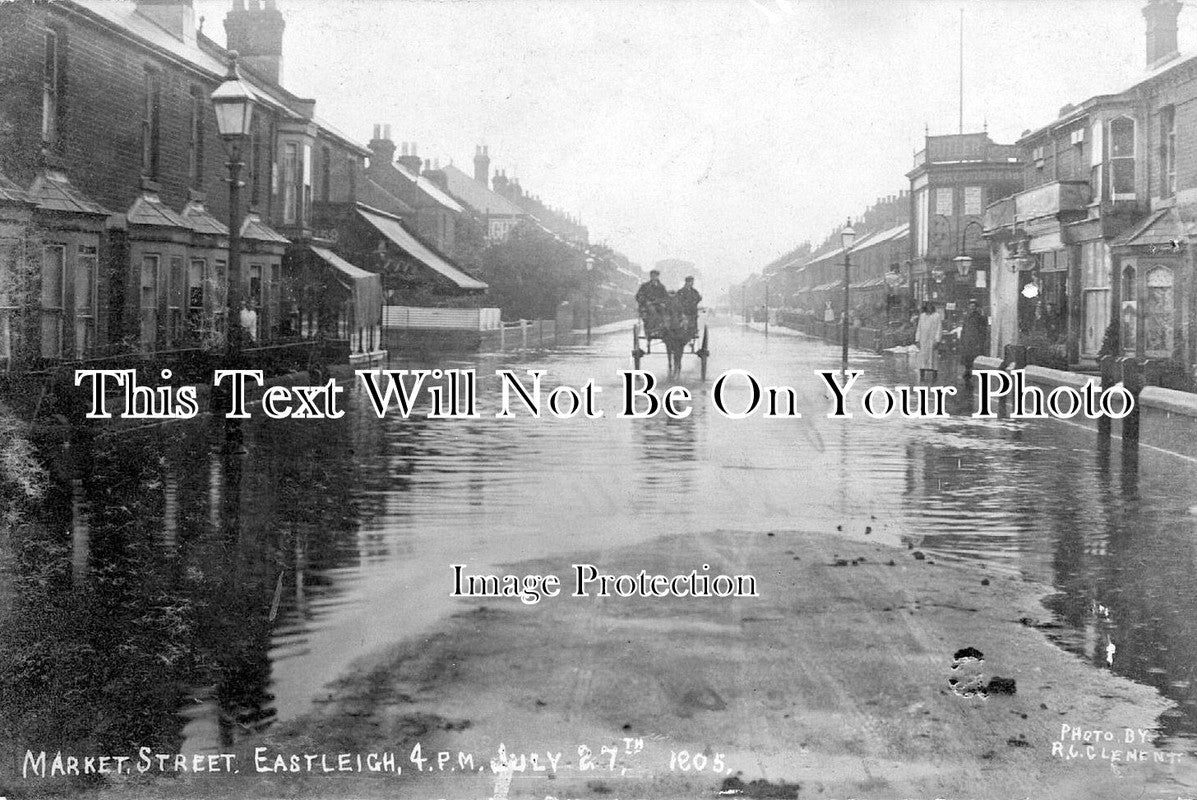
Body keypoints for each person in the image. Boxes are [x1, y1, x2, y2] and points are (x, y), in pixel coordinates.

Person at [958, 299, 989, 384]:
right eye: (970, 306)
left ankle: (971, 372)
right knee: (967, 357)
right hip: (968, 340)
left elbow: (982, 330)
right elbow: (964, 329)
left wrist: (980, 341)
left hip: (975, 341)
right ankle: (968, 371)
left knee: (972, 357)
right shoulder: (967, 317)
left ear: (976, 307)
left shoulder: (979, 318)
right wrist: (962, 339)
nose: (972, 308)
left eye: (973, 306)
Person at [914, 301, 943, 383]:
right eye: (927, 306)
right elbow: (919, 328)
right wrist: (917, 340)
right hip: (923, 340)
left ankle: (934, 376)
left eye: (930, 306)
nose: (929, 307)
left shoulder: (937, 316)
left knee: (933, 359)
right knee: (923, 359)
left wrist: (937, 340)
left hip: (932, 341)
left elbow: (939, 328)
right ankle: (922, 376)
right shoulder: (922, 316)